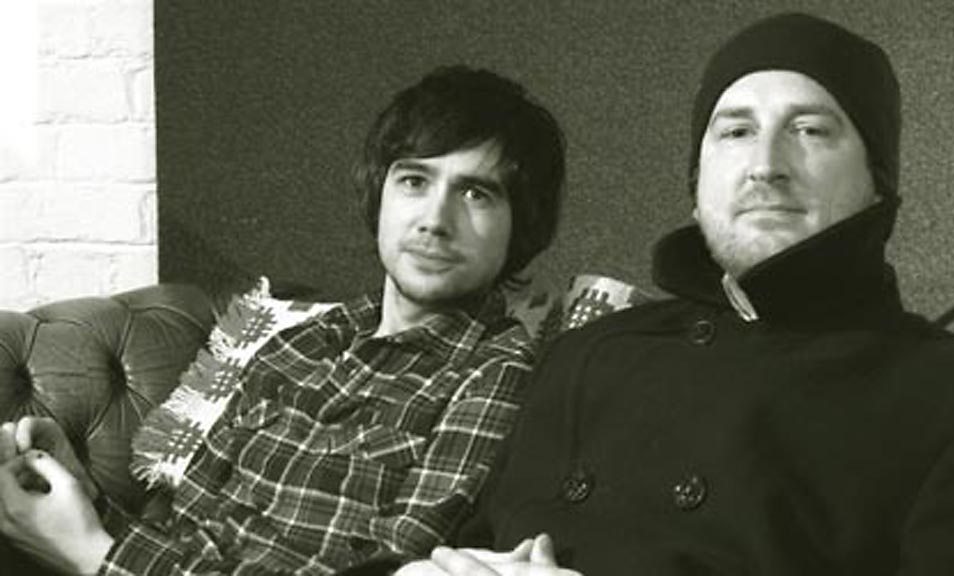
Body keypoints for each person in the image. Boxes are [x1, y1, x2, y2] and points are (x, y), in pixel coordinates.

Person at [384, 12, 954, 576]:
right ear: (697, 184)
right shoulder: (583, 355)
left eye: (810, 130)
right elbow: (465, 549)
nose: (765, 165)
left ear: (878, 180)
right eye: (735, 131)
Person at [0, 65, 566, 575]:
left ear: (522, 226)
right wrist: (86, 499)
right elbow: (183, 534)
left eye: (476, 193)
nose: (435, 219)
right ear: (381, 196)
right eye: (414, 181)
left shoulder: (498, 374)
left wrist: (94, 554)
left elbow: (384, 573)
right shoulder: (301, 341)